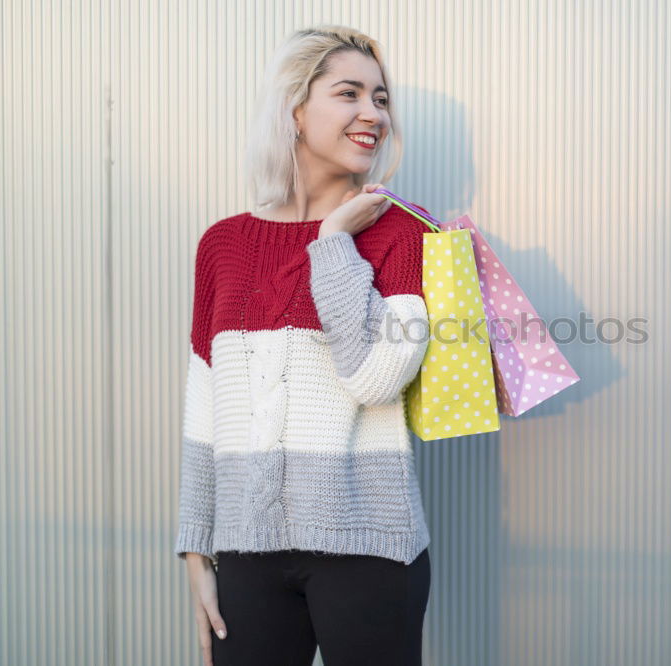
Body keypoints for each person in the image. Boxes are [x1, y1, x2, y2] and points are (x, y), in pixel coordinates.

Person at [174, 25, 433, 666]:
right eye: (349, 93)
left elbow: (376, 377)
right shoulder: (224, 245)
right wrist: (195, 549)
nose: (371, 113)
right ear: (296, 109)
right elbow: (206, 406)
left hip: (370, 547)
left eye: (380, 98)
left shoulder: (402, 233)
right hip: (245, 550)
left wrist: (335, 241)